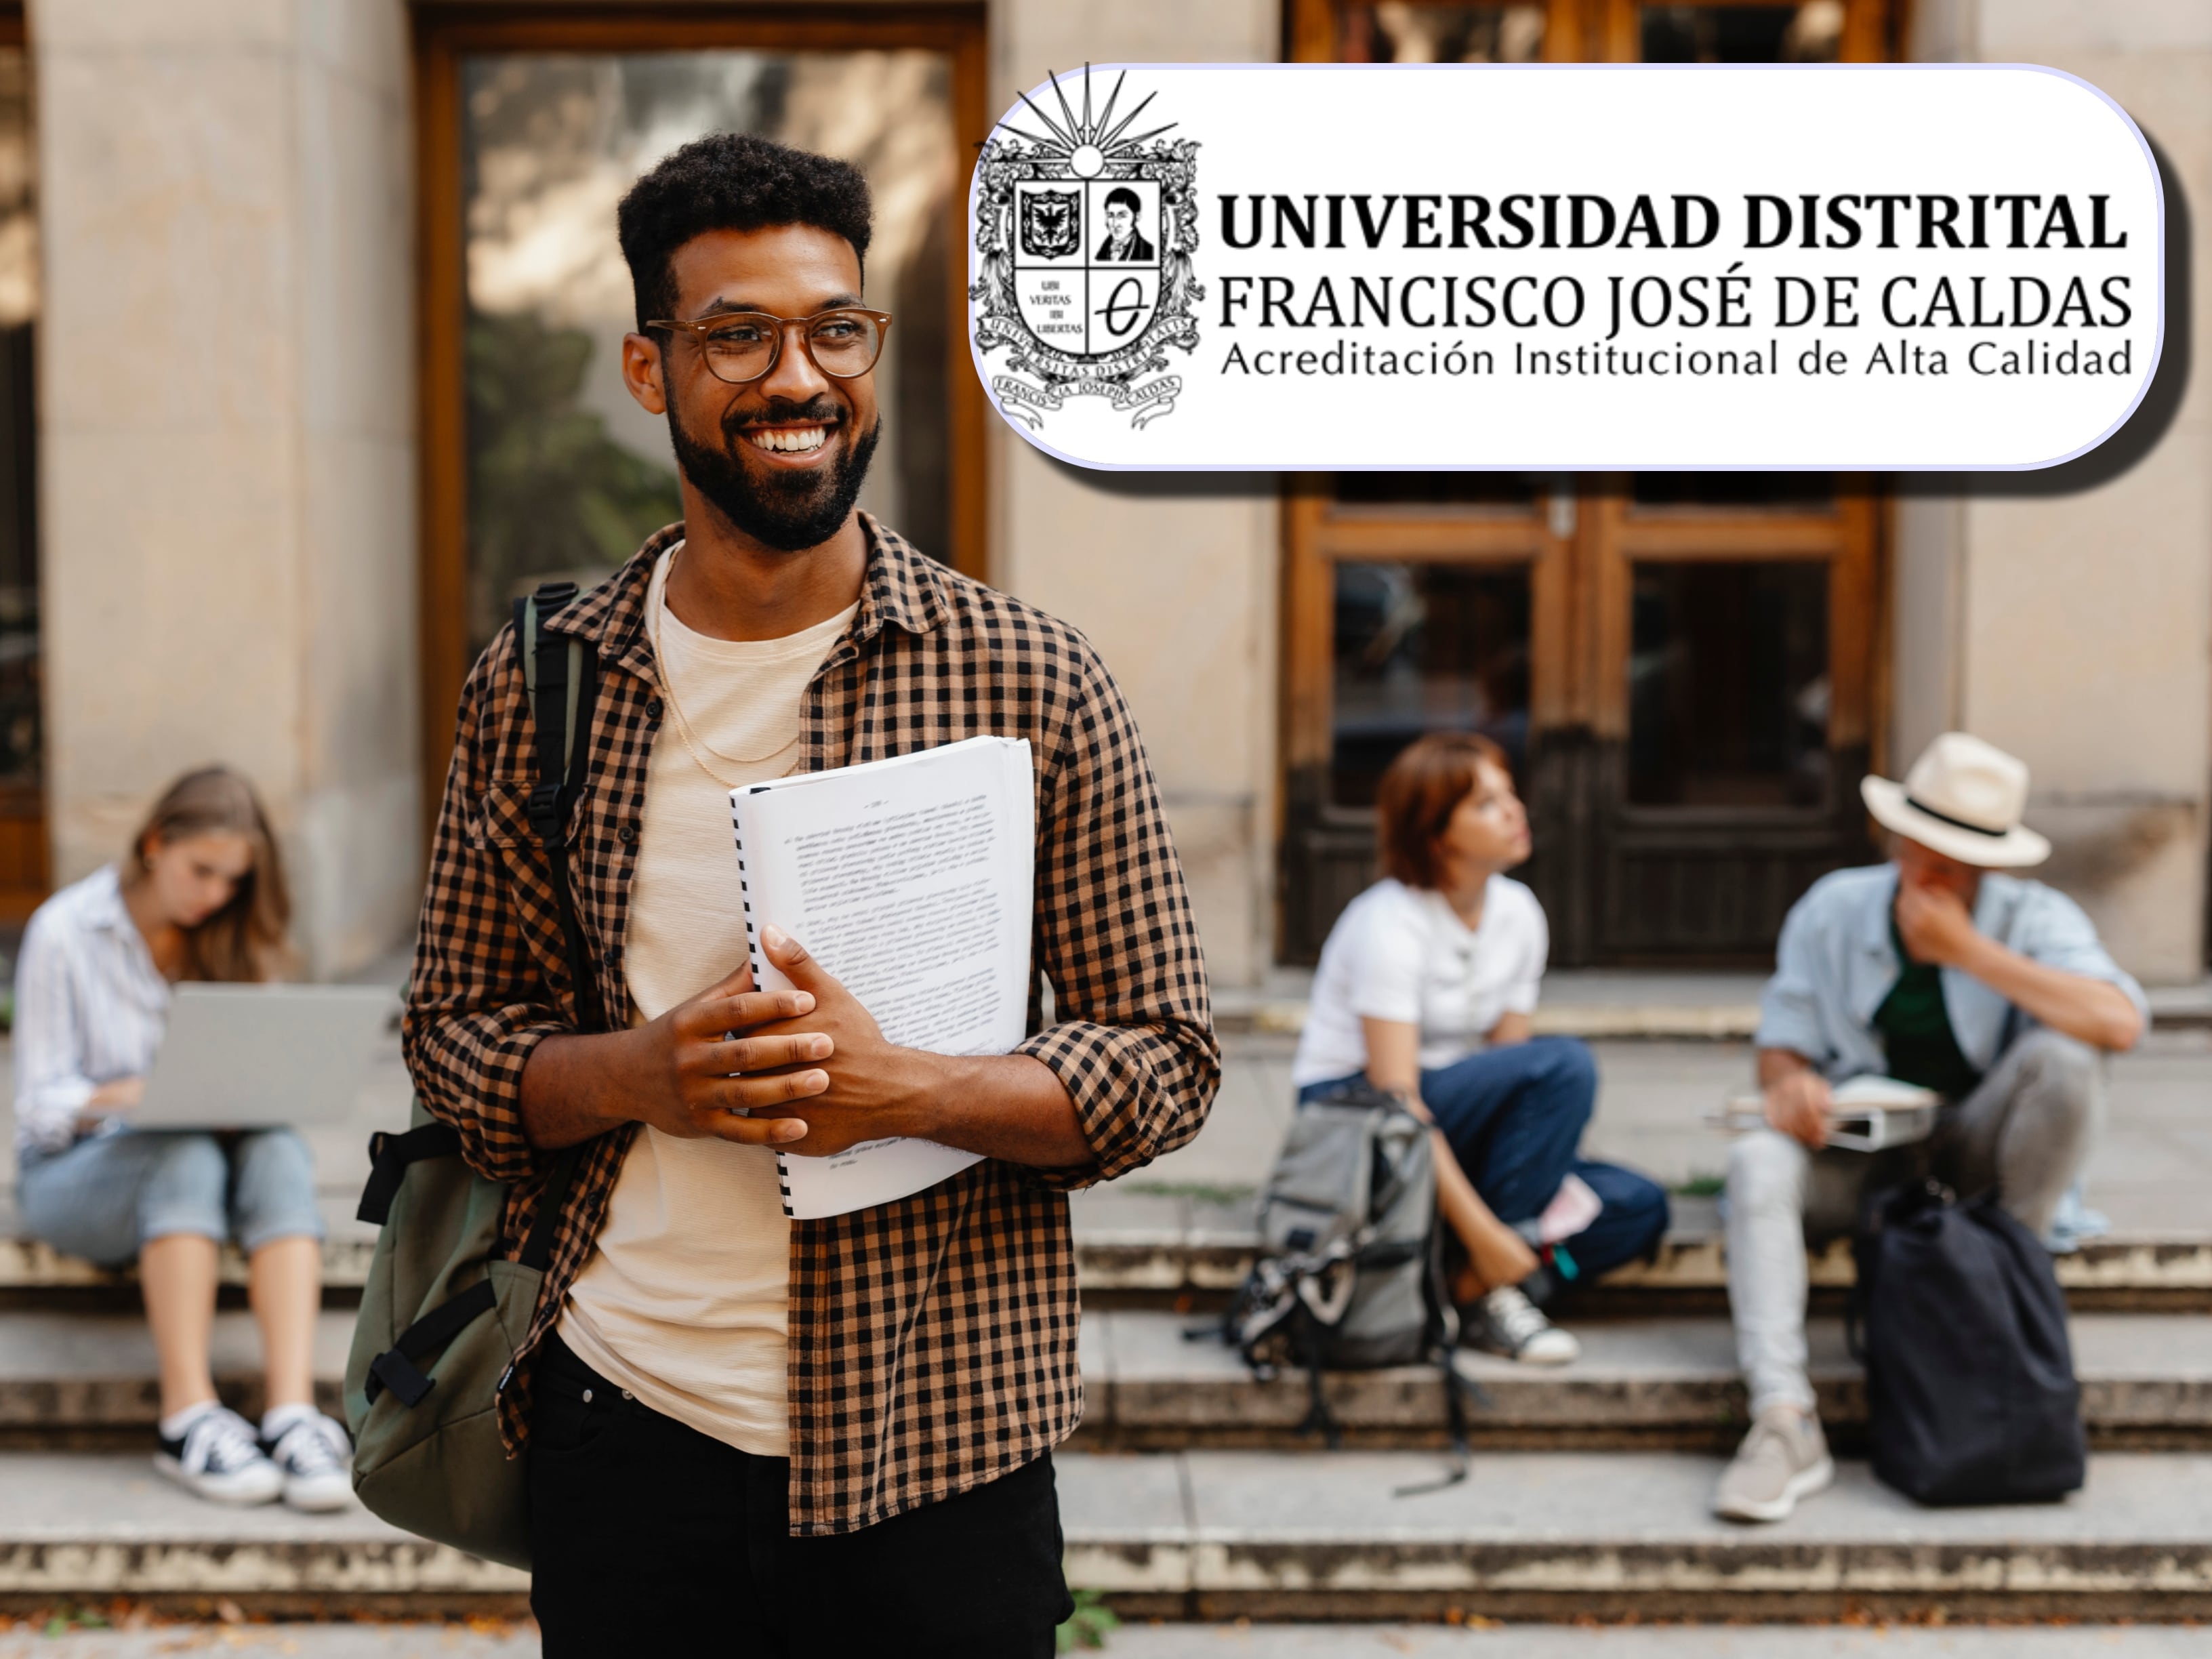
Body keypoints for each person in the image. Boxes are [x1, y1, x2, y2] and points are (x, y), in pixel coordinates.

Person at [403, 132, 1216, 1656]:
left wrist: (912, 1088)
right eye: (738, 336)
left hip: (943, 1441)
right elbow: (452, 1034)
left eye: (835, 328)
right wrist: (644, 1076)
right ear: (654, 374)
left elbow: (1165, 1061)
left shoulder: (1028, 676)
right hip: (624, 1423)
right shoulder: (544, 676)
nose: (799, 377)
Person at [1715, 731, 2148, 1523]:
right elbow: (1780, 1047)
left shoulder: (2034, 917)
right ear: (1894, 835)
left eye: (1949, 863)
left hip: (1978, 1169)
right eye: (1915, 850)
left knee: (2068, 1059)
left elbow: (2119, 1022)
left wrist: (1971, 952)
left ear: (1990, 866)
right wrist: (1794, 1085)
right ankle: (1782, 1419)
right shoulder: (1835, 908)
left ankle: (1996, 1301)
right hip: (1862, 1157)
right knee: (1756, 1162)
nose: (1924, 873)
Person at [12, 766, 350, 1511]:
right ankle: (187, 1416)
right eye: (203, 872)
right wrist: (132, 1097)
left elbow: (252, 1061)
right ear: (154, 845)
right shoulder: (66, 931)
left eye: (233, 880)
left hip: (206, 1161)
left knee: (276, 1148)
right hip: (74, 1176)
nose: (216, 895)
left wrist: (241, 1094)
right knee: (180, 1150)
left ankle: (292, 1412)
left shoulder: (232, 936)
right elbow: (39, 1109)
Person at [1292, 732, 1671, 1366]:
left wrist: (1525, 1189)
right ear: (1437, 834)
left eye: (1510, 793)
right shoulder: (1387, 923)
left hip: (1448, 1117)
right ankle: (1496, 1283)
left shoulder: (1519, 914)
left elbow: (1510, 1079)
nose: (1516, 811)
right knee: (1566, 1065)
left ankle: (1467, 1289)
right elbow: (1398, 1099)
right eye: (1487, 803)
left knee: (1637, 1207)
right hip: (1362, 1127)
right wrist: (1485, 1232)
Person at [1095, 186, 1155, 261]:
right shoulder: (1102, 251)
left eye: (1122, 216)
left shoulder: (1150, 252)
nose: (1115, 224)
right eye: (1110, 215)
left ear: (1137, 217)